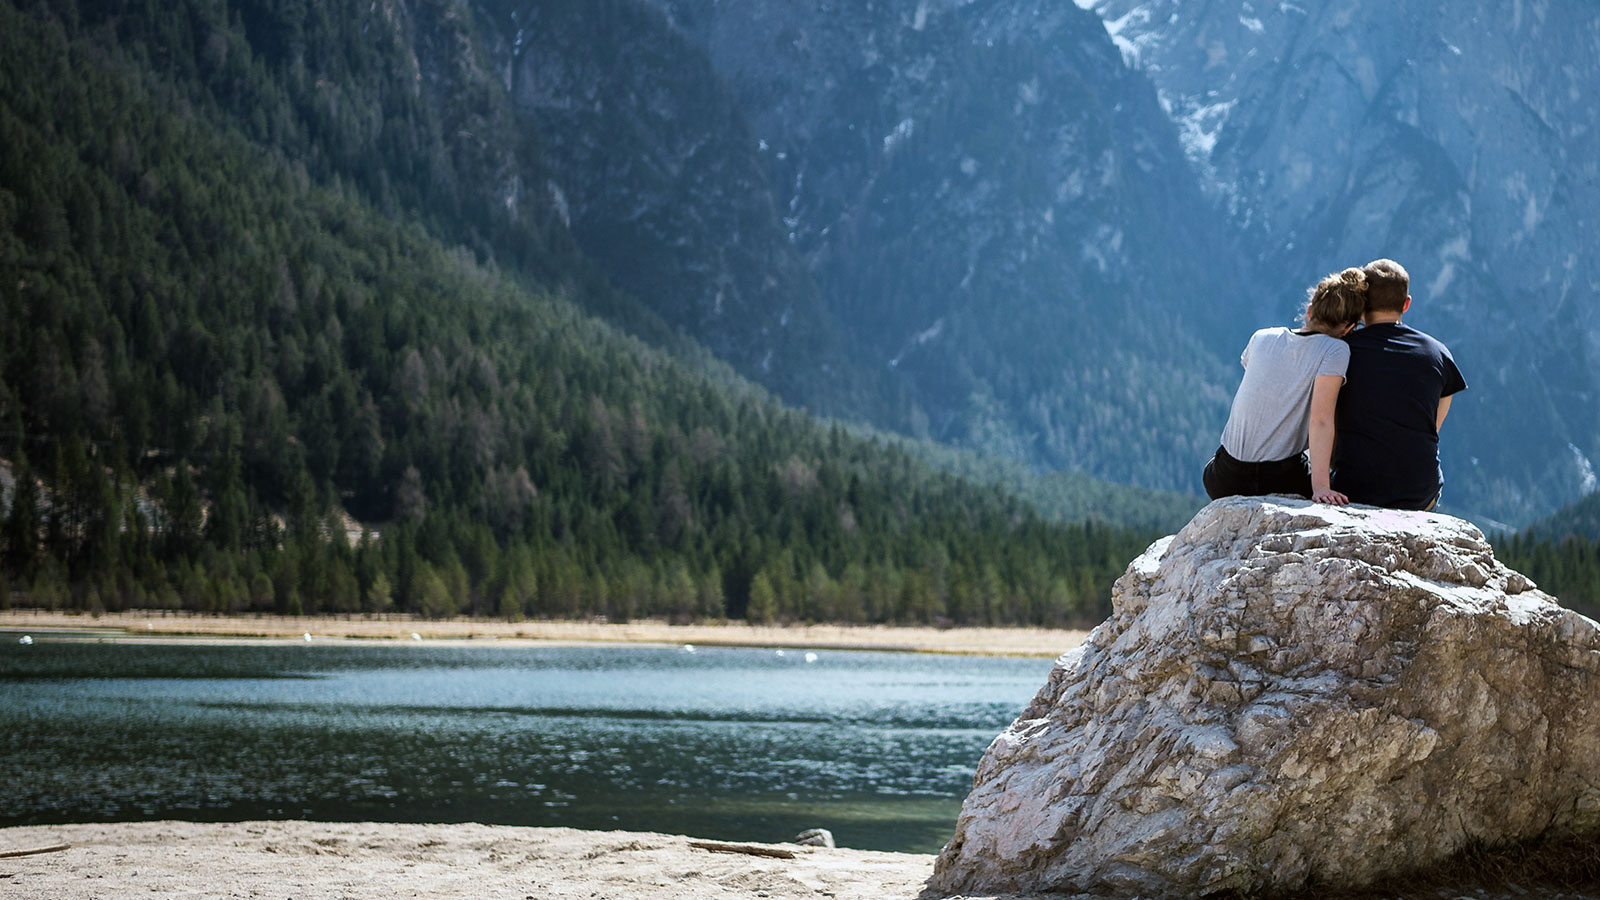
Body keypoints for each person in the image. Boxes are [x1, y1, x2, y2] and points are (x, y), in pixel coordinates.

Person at [1203, 268, 1368, 504]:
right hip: (1278, 478)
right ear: (1349, 329)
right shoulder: (1335, 350)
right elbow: (1321, 419)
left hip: (1224, 477)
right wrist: (1321, 487)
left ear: (1310, 311)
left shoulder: (1261, 337)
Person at [1331, 258, 1466, 510]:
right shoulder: (1438, 354)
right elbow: (1432, 425)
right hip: (1419, 493)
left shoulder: (1340, 352)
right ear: (1406, 304)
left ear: (1362, 304)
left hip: (1354, 489)